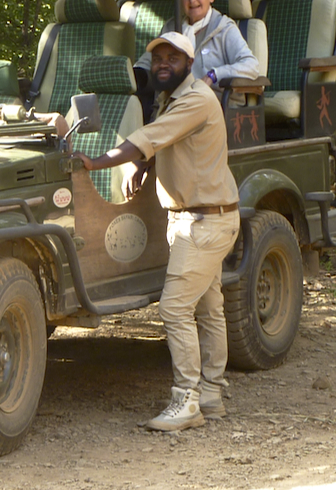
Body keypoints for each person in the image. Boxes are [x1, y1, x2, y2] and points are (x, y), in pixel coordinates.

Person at [40, 32, 240, 431]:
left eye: (172, 57)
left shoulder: (197, 99)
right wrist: (145, 165)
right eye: (158, 57)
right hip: (197, 217)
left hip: (203, 221)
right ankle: (212, 394)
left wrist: (93, 163)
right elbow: (168, 143)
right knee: (207, 307)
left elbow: (148, 138)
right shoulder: (173, 99)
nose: (163, 63)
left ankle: (187, 402)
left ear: (189, 61)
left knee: (175, 308)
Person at [134, 0, 259, 116]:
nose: (192, 0)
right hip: (173, 107)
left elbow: (251, 65)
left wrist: (214, 74)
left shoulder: (224, 29)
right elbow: (147, 62)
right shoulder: (172, 27)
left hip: (212, 107)